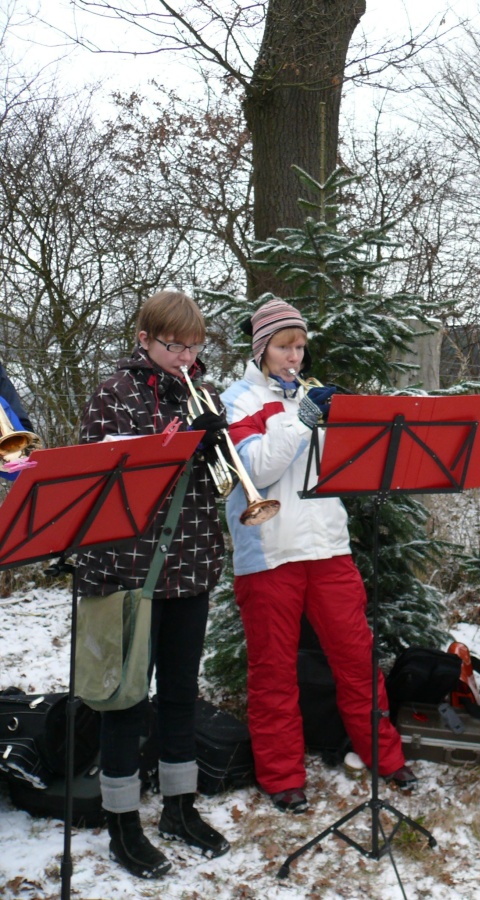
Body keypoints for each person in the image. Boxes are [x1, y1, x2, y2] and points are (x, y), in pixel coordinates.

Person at [220, 299, 415, 816]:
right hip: (269, 552)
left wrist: (348, 430)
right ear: (262, 348)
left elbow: (345, 467)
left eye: (301, 346)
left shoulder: (312, 394)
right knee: (273, 671)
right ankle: (283, 777)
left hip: (328, 546)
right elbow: (256, 470)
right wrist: (303, 420)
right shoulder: (237, 400)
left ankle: (384, 756)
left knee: (357, 658)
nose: (295, 356)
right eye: (285, 346)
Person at [77, 290, 230, 879]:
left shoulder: (204, 394)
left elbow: (220, 487)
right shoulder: (113, 394)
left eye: (195, 346)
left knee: (180, 695)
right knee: (124, 700)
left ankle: (179, 808)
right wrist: (166, 447)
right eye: (174, 345)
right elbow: (96, 481)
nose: (186, 357)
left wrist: (216, 442)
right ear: (144, 339)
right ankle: (122, 823)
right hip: (128, 572)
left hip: (190, 564)